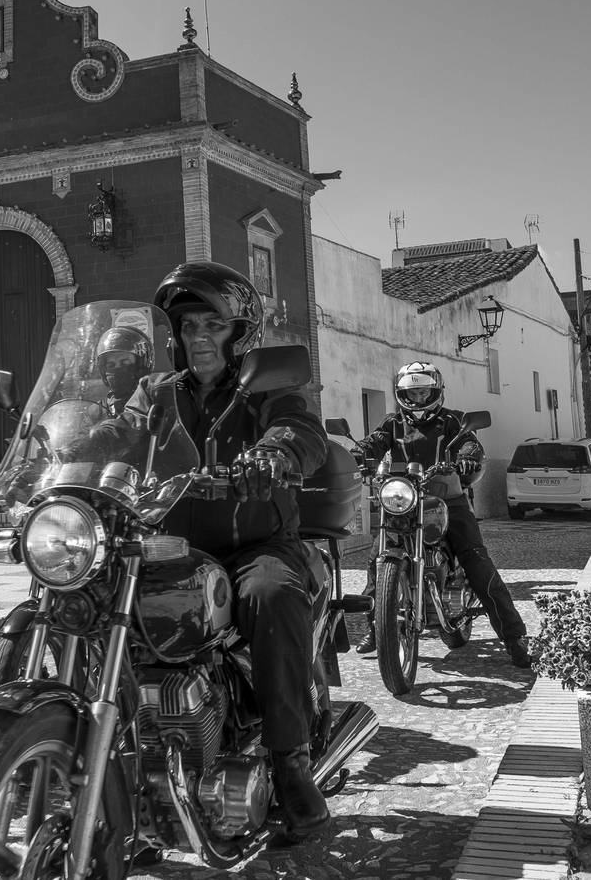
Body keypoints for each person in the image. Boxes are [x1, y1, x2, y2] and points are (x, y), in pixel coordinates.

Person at [96, 261, 332, 844]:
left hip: (253, 545)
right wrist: (66, 441)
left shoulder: (266, 387)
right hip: (173, 548)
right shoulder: (155, 393)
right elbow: (119, 435)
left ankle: (290, 763)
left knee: (272, 595)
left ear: (239, 334)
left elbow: (302, 431)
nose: (197, 338)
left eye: (212, 326)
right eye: (186, 327)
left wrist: (276, 453)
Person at [351, 362, 531, 668]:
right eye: (412, 393)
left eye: (424, 392)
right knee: (375, 560)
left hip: (447, 498)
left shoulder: (453, 421)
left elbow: (469, 442)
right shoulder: (392, 424)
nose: (418, 399)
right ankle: (377, 625)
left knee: (477, 560)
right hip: (404, 500)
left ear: (436, 392)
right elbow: (374, 443)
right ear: (401, 395)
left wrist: (467, 459)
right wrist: (357, 455)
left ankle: (515, 638)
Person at [94, 325, 155, 415]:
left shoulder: (156, 403)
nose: (118, 368)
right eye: (111, 365)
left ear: (142, 365)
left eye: (125, 362)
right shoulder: (97, 412)